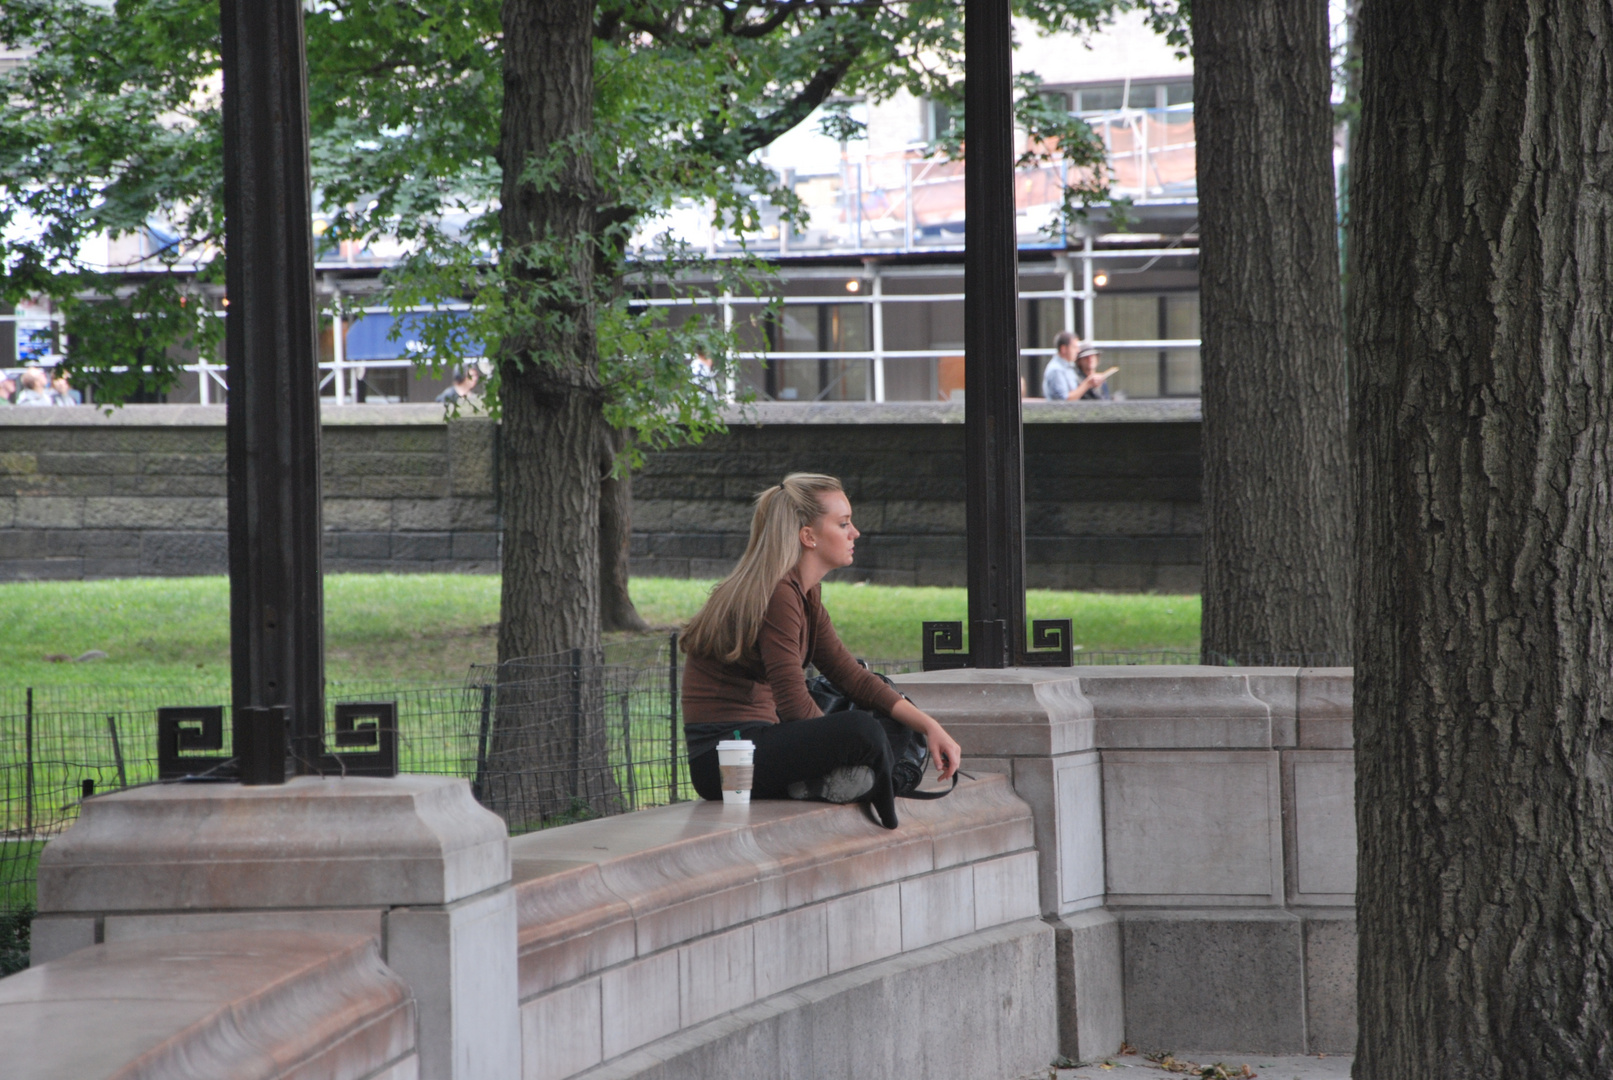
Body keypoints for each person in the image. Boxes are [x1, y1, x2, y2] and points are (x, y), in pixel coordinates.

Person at [679, 473, 963, 829]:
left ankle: (827, 784)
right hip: (724, 763)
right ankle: (862, 782)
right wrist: (835, 748)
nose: (854, 532)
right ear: (808, 536)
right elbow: (794, 704)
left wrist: (931, 726)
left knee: (891, 714)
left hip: (757, 746)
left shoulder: (805, 593)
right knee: (862, 730)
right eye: (843, 523)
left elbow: (851, 677)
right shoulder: (779, 594)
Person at [1040, 331, 1082, 401]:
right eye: (1074, 347)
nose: (1078, 351)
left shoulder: (1070, 367)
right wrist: (1087, 384)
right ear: (1063, 349)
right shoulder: (1056, 370)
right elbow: (1064, 400)